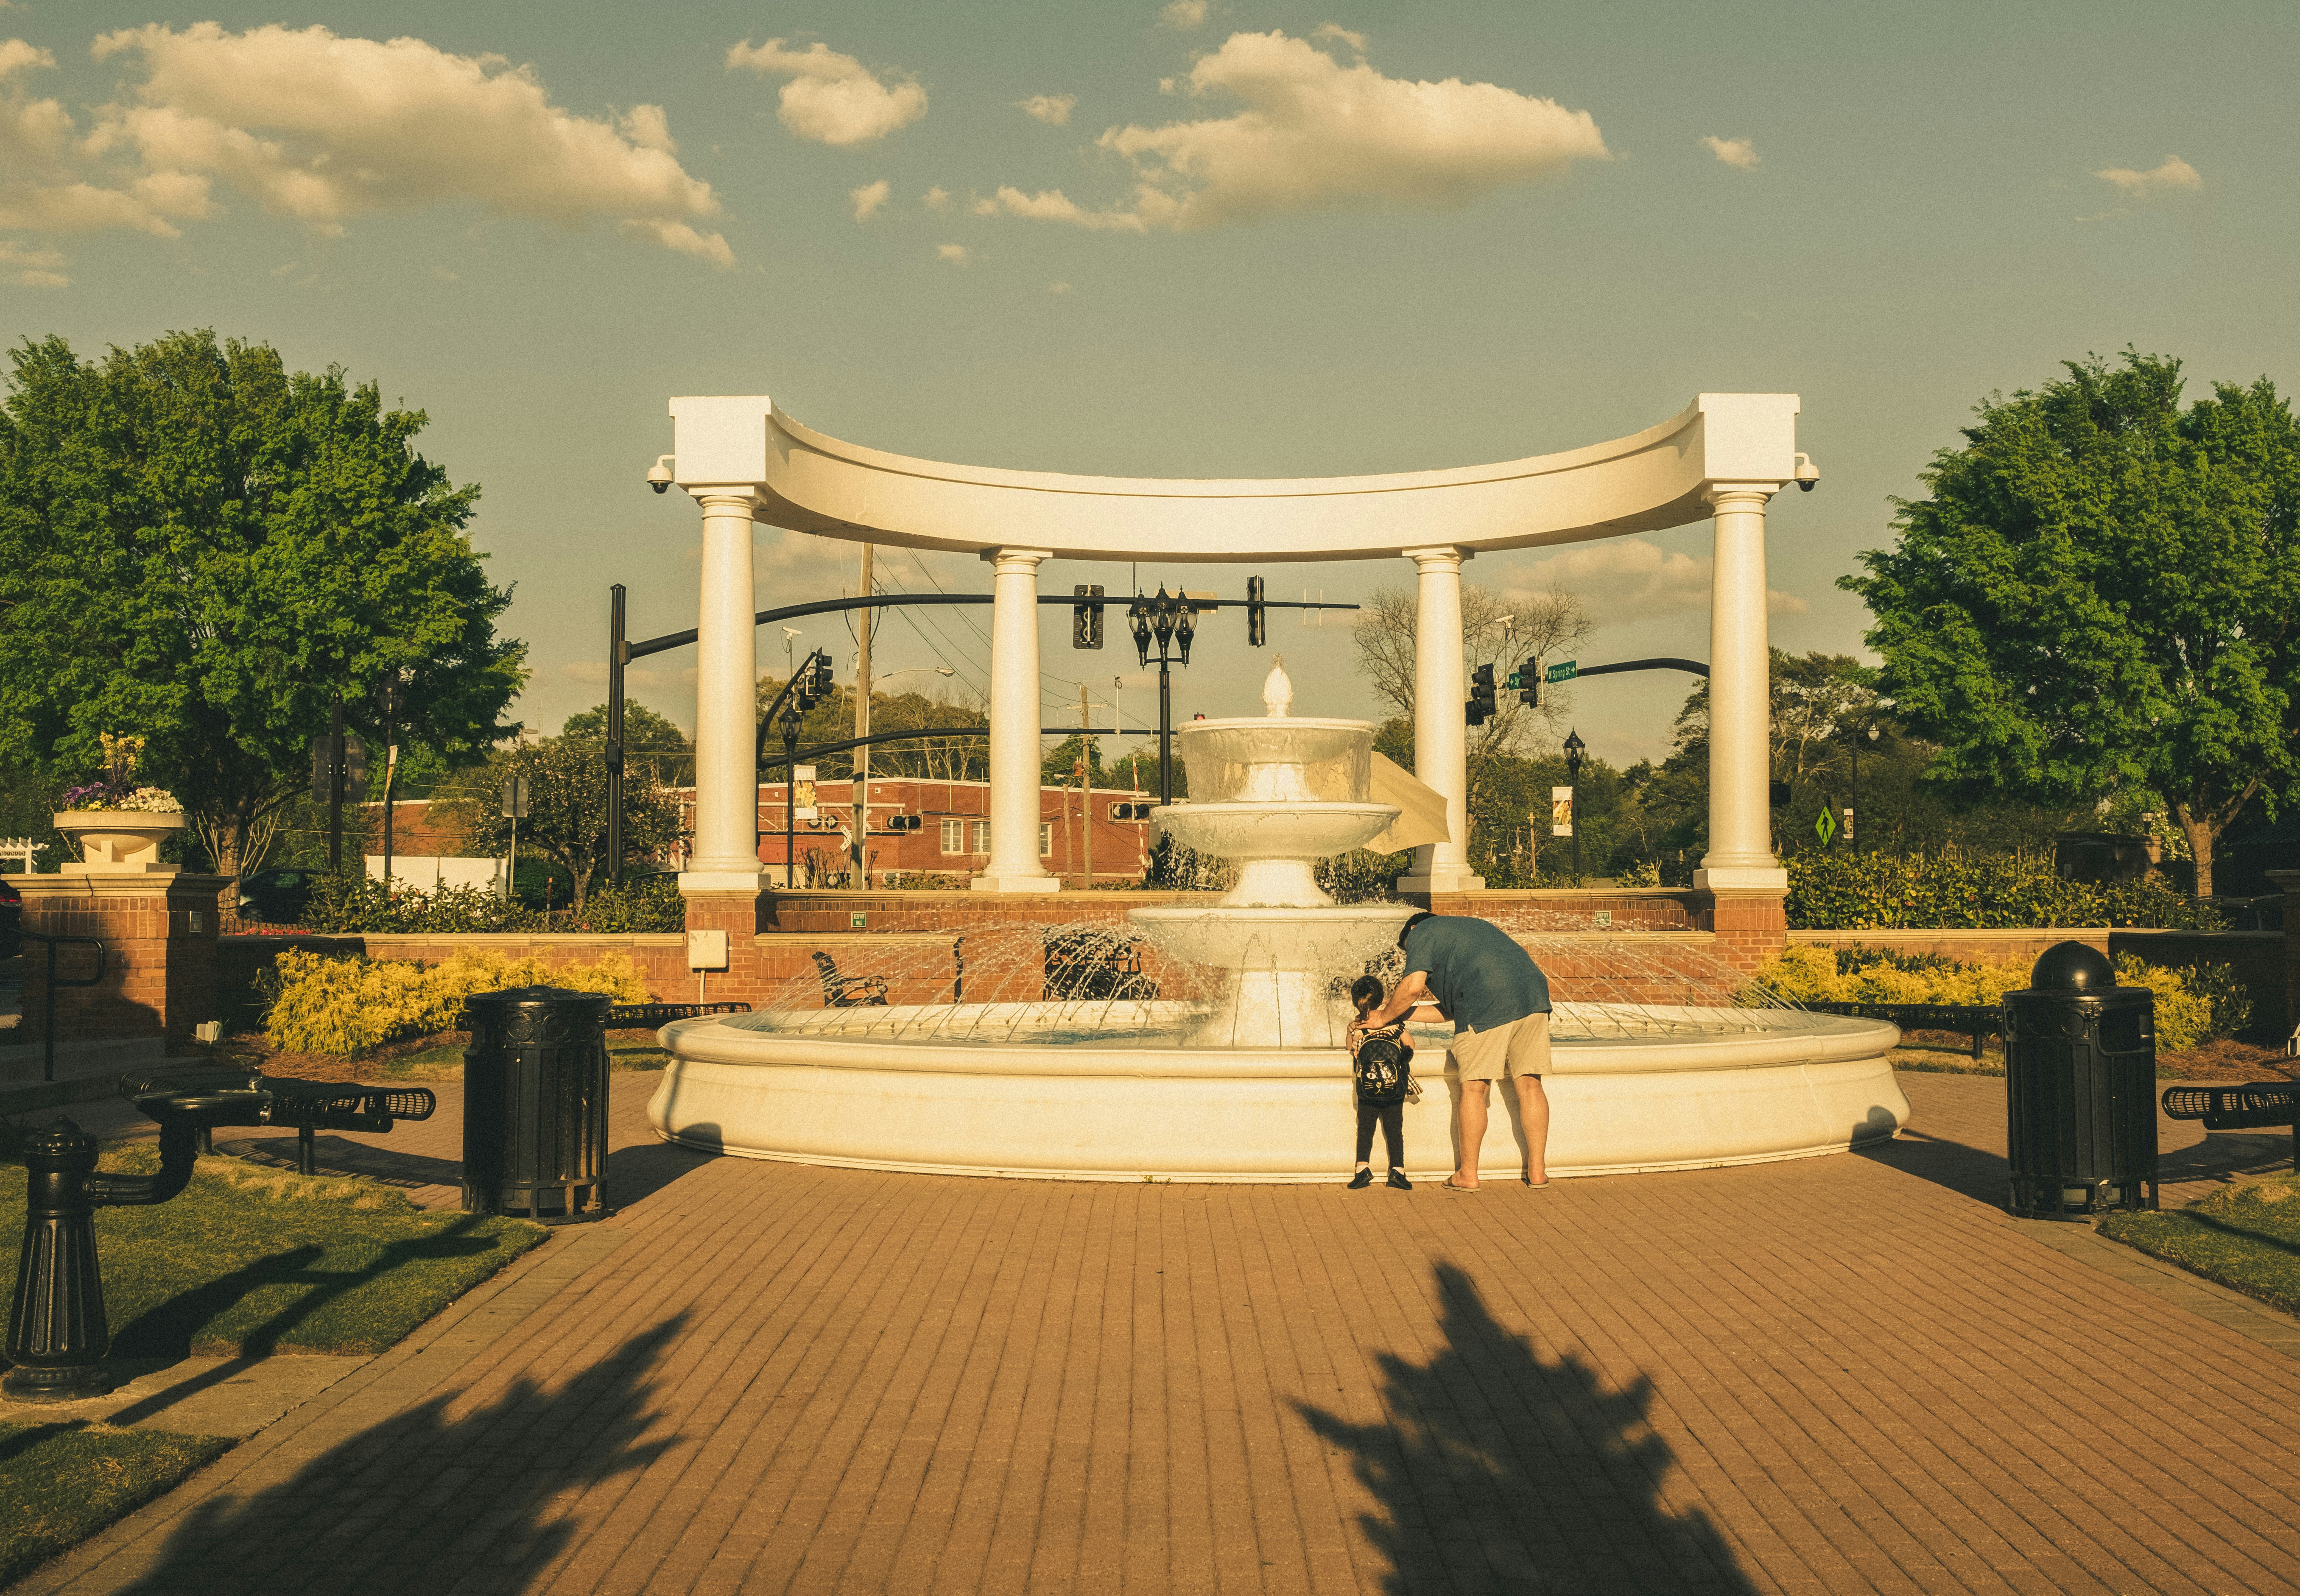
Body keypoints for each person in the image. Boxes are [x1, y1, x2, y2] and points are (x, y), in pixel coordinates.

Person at [1353, 910, 1551, 1190]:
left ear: (1411, 930)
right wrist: (1398, 1015)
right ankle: (1538, 1172)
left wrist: (1383, 1017)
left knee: (1474, 1088)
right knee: (1530, 1084)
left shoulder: (1422, 931)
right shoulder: (1468, 929)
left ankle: (1467, 1175)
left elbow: (1412, 987)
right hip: (1534, 996)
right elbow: (1449, 1011)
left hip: (1487, 1002)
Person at [1344, 974, 1415, 1190]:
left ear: (1356, 1001)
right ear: (1382, 998)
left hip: (1368, 1088)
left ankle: (1362, 1171)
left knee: (1366, 1129)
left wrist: (1352, 1032)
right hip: (1394, 1087)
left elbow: (1350, 1049)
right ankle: (1397, 1172)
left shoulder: (1357, 1026)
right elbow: (1411, 1045)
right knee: (1395, 1130)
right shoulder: (1394, 1022)